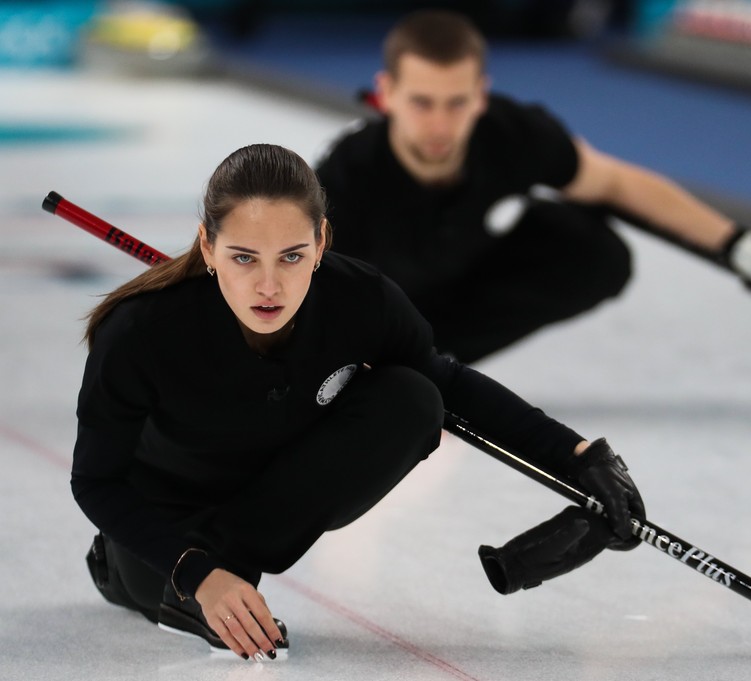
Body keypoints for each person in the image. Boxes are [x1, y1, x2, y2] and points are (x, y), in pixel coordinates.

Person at [71, 143, 645, 660]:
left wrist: (577, 456)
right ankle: (203, 588)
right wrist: (197, 574)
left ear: (321, 242)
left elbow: (450, 384)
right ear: (208, 245)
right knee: (167, 578)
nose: (268, 286)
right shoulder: (141, 332)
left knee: (413, 396)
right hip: (164, 533)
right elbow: (97, 482)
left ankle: (234, 566)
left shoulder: (359, 299)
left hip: (265, 501)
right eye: (244, 257)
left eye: (291, 256)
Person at [315, 9, 751, 363]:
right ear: (387, 94)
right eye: (423, 103)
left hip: (462, 291)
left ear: (481, 95)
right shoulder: (346, 175)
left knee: (597, 252)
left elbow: (619, 183)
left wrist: (735, 243)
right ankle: (406, 361)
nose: (441, 125)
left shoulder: (512, 132)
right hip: (382, 313)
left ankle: (439, 358)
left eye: (457, 103)